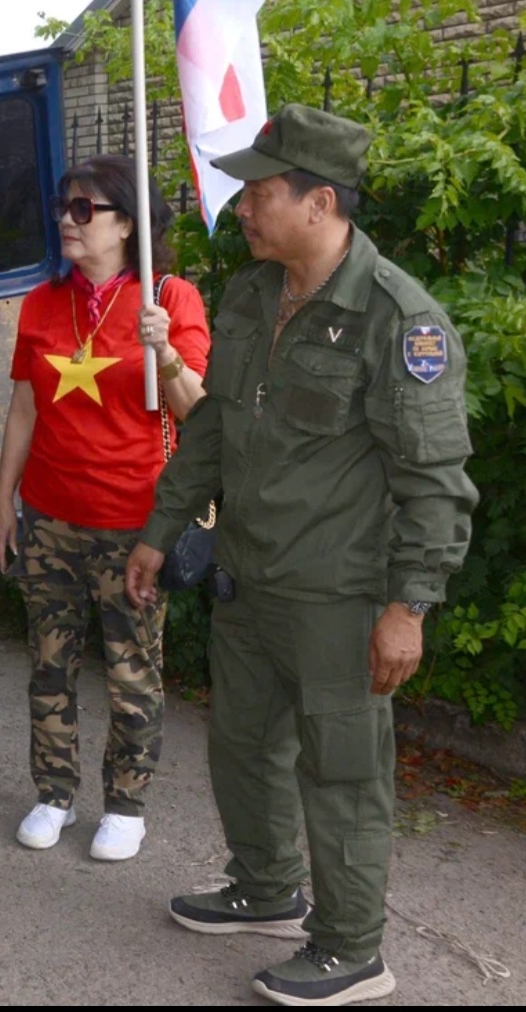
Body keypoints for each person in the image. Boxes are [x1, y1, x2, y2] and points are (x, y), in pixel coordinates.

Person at [126, 105, 477, 1006]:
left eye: (260, 191)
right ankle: (264, 886)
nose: (242, 207)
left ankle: (353, 949)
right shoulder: (249, 295)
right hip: (248, 585)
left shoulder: (400, 318)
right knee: (242, 750)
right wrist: (161, 532)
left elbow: (434, 481)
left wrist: (408, 608)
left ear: (320, 202)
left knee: (343, 776)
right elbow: (210, 431)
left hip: (337, 599)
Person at [0, 155, 210, 863]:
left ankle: (126, 804)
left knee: (130, 669)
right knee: (49, 664)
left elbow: (200, 417)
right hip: (50, 515)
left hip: (135, 524)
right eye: (64, 206)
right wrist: (2, 501)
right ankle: (53, 793)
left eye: (85, 209)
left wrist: (166, 354)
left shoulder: (171, 300)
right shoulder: (43, 303)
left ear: (128, 223)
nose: (66, 220)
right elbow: (24, 406)